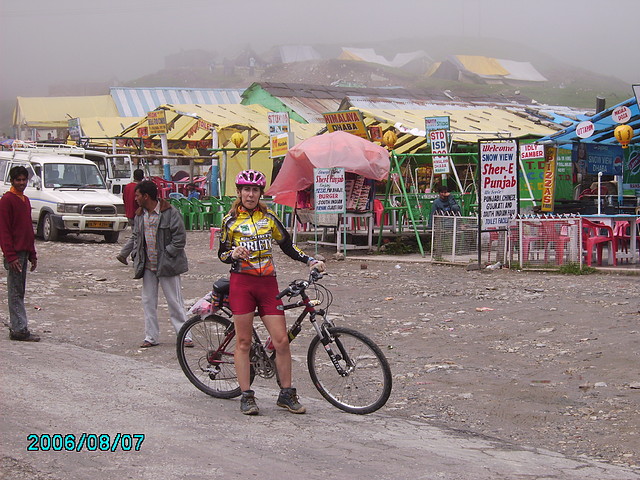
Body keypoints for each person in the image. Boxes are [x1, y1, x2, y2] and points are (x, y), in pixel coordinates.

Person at [218, 169, 325, 415]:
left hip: (268, 284)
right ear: (239, 192)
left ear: (260, 193)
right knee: (244, 342)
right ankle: (246, 395)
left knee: (281, 341)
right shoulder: (230, 220)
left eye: (255, 190)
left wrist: (310, 260)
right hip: (242, 284)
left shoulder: (269, 218)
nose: (250, 194)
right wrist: (233, 253)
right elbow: (222, 254)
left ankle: (286, 394)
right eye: (246, 189)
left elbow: (288, 245)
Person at [116, 180, 192, 348]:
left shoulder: (171, 213)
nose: (135, 199)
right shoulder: (140, 215)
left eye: (137, 195)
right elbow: (136, 237)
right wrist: (129, 254)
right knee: (148, 301)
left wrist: (168, 254)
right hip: (148, 266)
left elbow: (179, 239)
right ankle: (151, 337)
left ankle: (185, 335)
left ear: (146, 196)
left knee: (174, 301)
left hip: (168, 265)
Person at [0, 166, 40, 341]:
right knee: (15, 292)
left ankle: (19, 326)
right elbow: (4, 231)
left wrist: (32, 254)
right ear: (12, 181)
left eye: (24, 180)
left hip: (24, 252)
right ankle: (19, 329)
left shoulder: (25, 200)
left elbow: (27, 230)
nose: (22, 183)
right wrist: (10, 255)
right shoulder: (7, 200)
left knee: (19, 291)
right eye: (18, 180)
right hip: (15, 254)